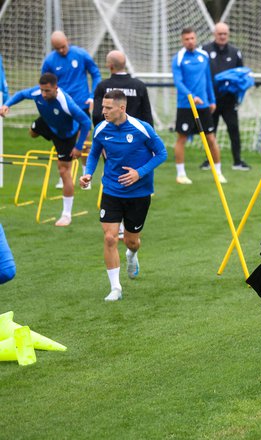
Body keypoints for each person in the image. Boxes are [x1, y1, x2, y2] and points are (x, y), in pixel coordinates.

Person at [80, 90, 167, 301]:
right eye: (103, 107)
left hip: (139, 193)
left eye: (108, 108)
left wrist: (139, 173)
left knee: (131, 241)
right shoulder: (101, 128)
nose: (104, 112)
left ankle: (132, 255)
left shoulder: (142, 128)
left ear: (122, 108)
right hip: (111, 189)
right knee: (110, 237)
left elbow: (162, 153)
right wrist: (88, 173)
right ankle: (115, 288)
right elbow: (93, 153)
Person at [0, 73, 91, 227]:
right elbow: (21, 94)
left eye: (47, 91)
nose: (43, 94)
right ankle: (39, 131)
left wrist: (78, 146)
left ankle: (66, 215)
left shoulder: (66, 103)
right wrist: (6, 105)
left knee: (63, 171)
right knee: (32, 132)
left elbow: (86, 122)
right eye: (42, 90)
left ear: (56, 88)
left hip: (65, 135)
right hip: (47, 123)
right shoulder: (37, 93)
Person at [42, 31, 101, 187]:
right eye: (57, 48)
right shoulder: (49, 61)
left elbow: (95, 73)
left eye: (63, 46)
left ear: (67, 40)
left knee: (85, 138)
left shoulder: (80, 54)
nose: (62, 50)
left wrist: (92, 94)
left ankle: (86, 175)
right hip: (61, 106)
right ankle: (64, 175)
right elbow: (44, 84)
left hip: (81, 103)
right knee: (61, 140)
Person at [172, 27, 225, 184]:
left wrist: (212, 100)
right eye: (187, 39)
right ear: (182, 41)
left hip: (203, 106)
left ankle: (218, 172)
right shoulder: (179, 58)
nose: (190, 41)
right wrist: (191, 97)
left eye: (192, 38)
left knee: (211, 138)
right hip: (185, 106)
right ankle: (181, 174)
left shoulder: (203, 56)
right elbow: (178, 82)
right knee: (182, 138)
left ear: (196, 39)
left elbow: (208, 79)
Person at [200, 21, 249, 171]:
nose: (222, 36)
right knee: (210, 131)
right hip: (212, 100)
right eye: (219, 33)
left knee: (233, 129)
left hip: (229, 100)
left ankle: (238, 161)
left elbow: (241, 74)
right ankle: (209, 161)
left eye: (225, 34)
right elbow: (202, 74)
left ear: (228, 35)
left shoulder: (235, 52)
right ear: (214, 34)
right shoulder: (205, 50)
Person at [92, 50, 153, 126]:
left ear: (110, 66)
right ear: (124, 64)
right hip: (135, 133)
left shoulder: (102, 86)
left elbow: (96, 115)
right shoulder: (139, 85)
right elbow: (147, 115)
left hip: (110, 133)